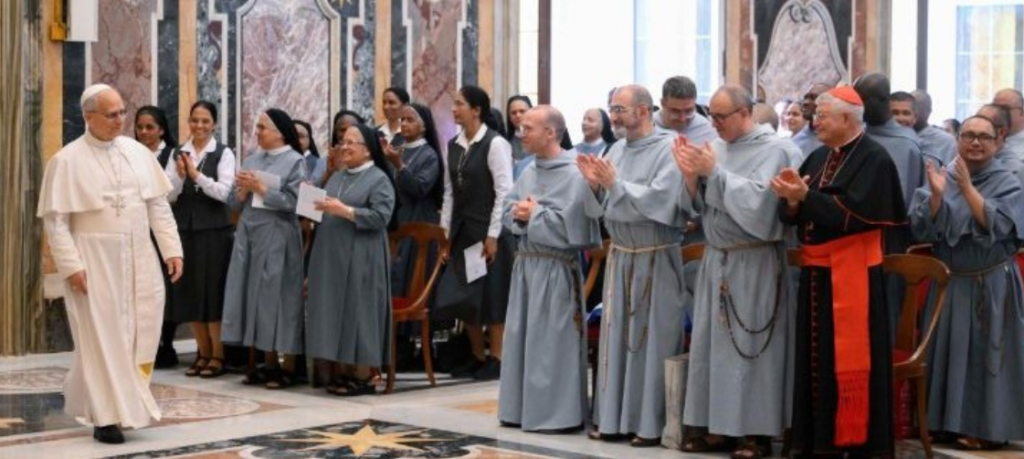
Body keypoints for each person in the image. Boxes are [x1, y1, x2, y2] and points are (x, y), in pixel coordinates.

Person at [38, 84, 183, 444]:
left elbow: (157, 206)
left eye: (122, 112)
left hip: (139, 256)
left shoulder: (137, 152)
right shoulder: (66, 160)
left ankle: (127, 406)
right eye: (112, 114)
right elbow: (56, 221)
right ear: (89, 117)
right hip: (93, 261)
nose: (121, 120)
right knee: (102, 339)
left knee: (140, 331)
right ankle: (105, 417)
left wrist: (171, 250)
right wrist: (71, 266)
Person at [770, 86, 903, 459]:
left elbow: (854, 216)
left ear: (846, 118)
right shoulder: (816, 156)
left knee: (845, 361)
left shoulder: (875, 159)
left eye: (822, 115)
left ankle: (859, 445)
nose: (815, 121)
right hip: (816, 276)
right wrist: (791, 202)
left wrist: (804, 198)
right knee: (814, 360)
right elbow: (794, 213)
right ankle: (816, 442)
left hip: (854, 276)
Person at [676, 85, 797, 458]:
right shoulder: (717, 148)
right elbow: (695, 208)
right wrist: (692, 180)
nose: (712, 124)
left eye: (720, 117)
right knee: (715, 347)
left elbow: (763, 205)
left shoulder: (779, 150)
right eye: (710, 115)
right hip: (718, 258)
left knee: (751, 348)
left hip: (756, 260)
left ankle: (755, 433)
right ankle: (717, 427)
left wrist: (716, 174)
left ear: (746, 113)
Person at [577, 84, 693, 448]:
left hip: (655, 254)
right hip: (622, 255)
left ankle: (649, 423)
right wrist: (594, 186)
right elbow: (600, 206)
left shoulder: (670, 148)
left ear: (643, 111)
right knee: (617, 342)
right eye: (612, 109)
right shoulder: (616, 149)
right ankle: (612, 419)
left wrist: (615, 185)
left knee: (652, 341)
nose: (614, 116)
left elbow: (662, 200)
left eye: (620, 109)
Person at [910, 115, 1024, 452]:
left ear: (998, 142)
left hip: (989, 282)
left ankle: (987, 428)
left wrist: (968, 188)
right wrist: (935, 197)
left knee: (987, 356)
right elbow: (921, 229)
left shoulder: (1008, 180)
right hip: (950, 281)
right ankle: (944, 423)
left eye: (984, 137)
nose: (976, 142)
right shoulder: (941, 175)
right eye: (969, 135)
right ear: (957, 139)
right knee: (947, 353)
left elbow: (1001, 225)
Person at [498, 105, 602, 434]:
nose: (521, 133)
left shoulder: (575, 172)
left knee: (550, 345)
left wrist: (535, 215)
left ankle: (556, 414)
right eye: (520, 127)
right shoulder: (528, 169)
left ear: (551, 133)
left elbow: (580, 228)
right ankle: (520, 408)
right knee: (522, 338)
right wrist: (520, 215)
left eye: (528, 128)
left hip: (556, 269)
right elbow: (506, 209)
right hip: (527, 266)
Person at [306, 123, 397, 396]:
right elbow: (322, 210)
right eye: (342, 141)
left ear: (368, 150)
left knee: (358, 311)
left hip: (362, 256)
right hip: (331, 257)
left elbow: (382, 217)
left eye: (351, 143)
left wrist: (344, 210)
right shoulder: (337, 176)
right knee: (335, 312)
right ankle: (341, 371)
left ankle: (363, 375)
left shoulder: (380, 179)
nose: (344, 147)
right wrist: (309, 200)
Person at [221, 108, 306, 390]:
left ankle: (288, 366)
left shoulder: (296, 161)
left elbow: (297, 204)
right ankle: (265, 362)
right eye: (256, 127)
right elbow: (234, 204)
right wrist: (243, 192)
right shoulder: (252, 158)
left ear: (280, 133)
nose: (256, 132)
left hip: (278, 236)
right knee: (252, 297)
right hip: (250, 233)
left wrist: (262, 189)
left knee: (279, 299)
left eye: (262, 127)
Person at [437, 85, 515, 381]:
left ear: (476, 110)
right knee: (465, 296)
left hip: (488, 233)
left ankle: (497, 357)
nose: (454, 109)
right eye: (453, 104)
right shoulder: (454, 144)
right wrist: (445, 234)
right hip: (463, 232)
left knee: (493, 296)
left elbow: (504, 192)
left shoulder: (495, 144)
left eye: (459, 104)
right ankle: (476, 355)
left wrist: (494, 235)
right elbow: (449, 191)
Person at [164, 101, 236, 379]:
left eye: (205, 121)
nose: (199, 126)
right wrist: (182, 179)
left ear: (214, 124)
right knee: (192, 292)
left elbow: (223, 193)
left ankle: (218, 354)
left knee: (212, 293)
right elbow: (168, 195)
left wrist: (197, 175)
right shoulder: (177, 152)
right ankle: (201, 352)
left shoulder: (223, 152)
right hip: (185, 229)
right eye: (195, 120)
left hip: (215, 231)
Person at [134, 105, 180, 369]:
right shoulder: (132, 154)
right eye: (140, 127)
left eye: (150, 127)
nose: (144, 132)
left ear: (161, 129)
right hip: (139, 226)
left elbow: (171, 192)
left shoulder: (171, 155)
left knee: (165, 286)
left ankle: (166, 343)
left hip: (163, 225)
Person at [383, 102, 444, 295]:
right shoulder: (396, 148)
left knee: (410, 278)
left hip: (418, 220)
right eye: (402, 119)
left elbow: (419, 188)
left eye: (410, 119)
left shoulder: (429, 154)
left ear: (424, 125)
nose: (404, 124)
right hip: (396, 219)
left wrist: (399, 165)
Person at [854, 73, 924, 208]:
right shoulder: (855, 135)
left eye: (863, 100)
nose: (858, 106)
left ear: (884, 100)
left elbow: (904, 199)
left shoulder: (906, 144)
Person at [653, 76, 718, 145]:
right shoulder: (647, 127)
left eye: (688, 111)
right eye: (675, 111)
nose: (682, 119)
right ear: (663, 104)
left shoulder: (708, 130)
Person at [311, 109, 367, 184]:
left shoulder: (367, 163)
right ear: (336, 133)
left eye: (351, 129)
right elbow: (311, 192)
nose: (347, 133)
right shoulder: (324, 162)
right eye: (342, 130)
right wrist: (329, 174)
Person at [910, 90, 959, 167]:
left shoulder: (946, 141)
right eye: (911, 108)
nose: (915, 112)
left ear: (929, 111)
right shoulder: (899, 137)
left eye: (919, 107)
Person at [791, 83, 831, 158]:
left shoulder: (835, 138)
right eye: (806, 98)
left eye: (813, 98)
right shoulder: (796, 141)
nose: (805, 102)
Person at [506, 95, 534, 179]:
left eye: (522, 111)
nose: (518, 115)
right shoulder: (505, 142)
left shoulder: (541, 138)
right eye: (513, 113)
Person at [993, 88, 1024, 158]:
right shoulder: (987, 137)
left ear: (1022, 113)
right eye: (994, 108)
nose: (998, 113)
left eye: (1005, 109)